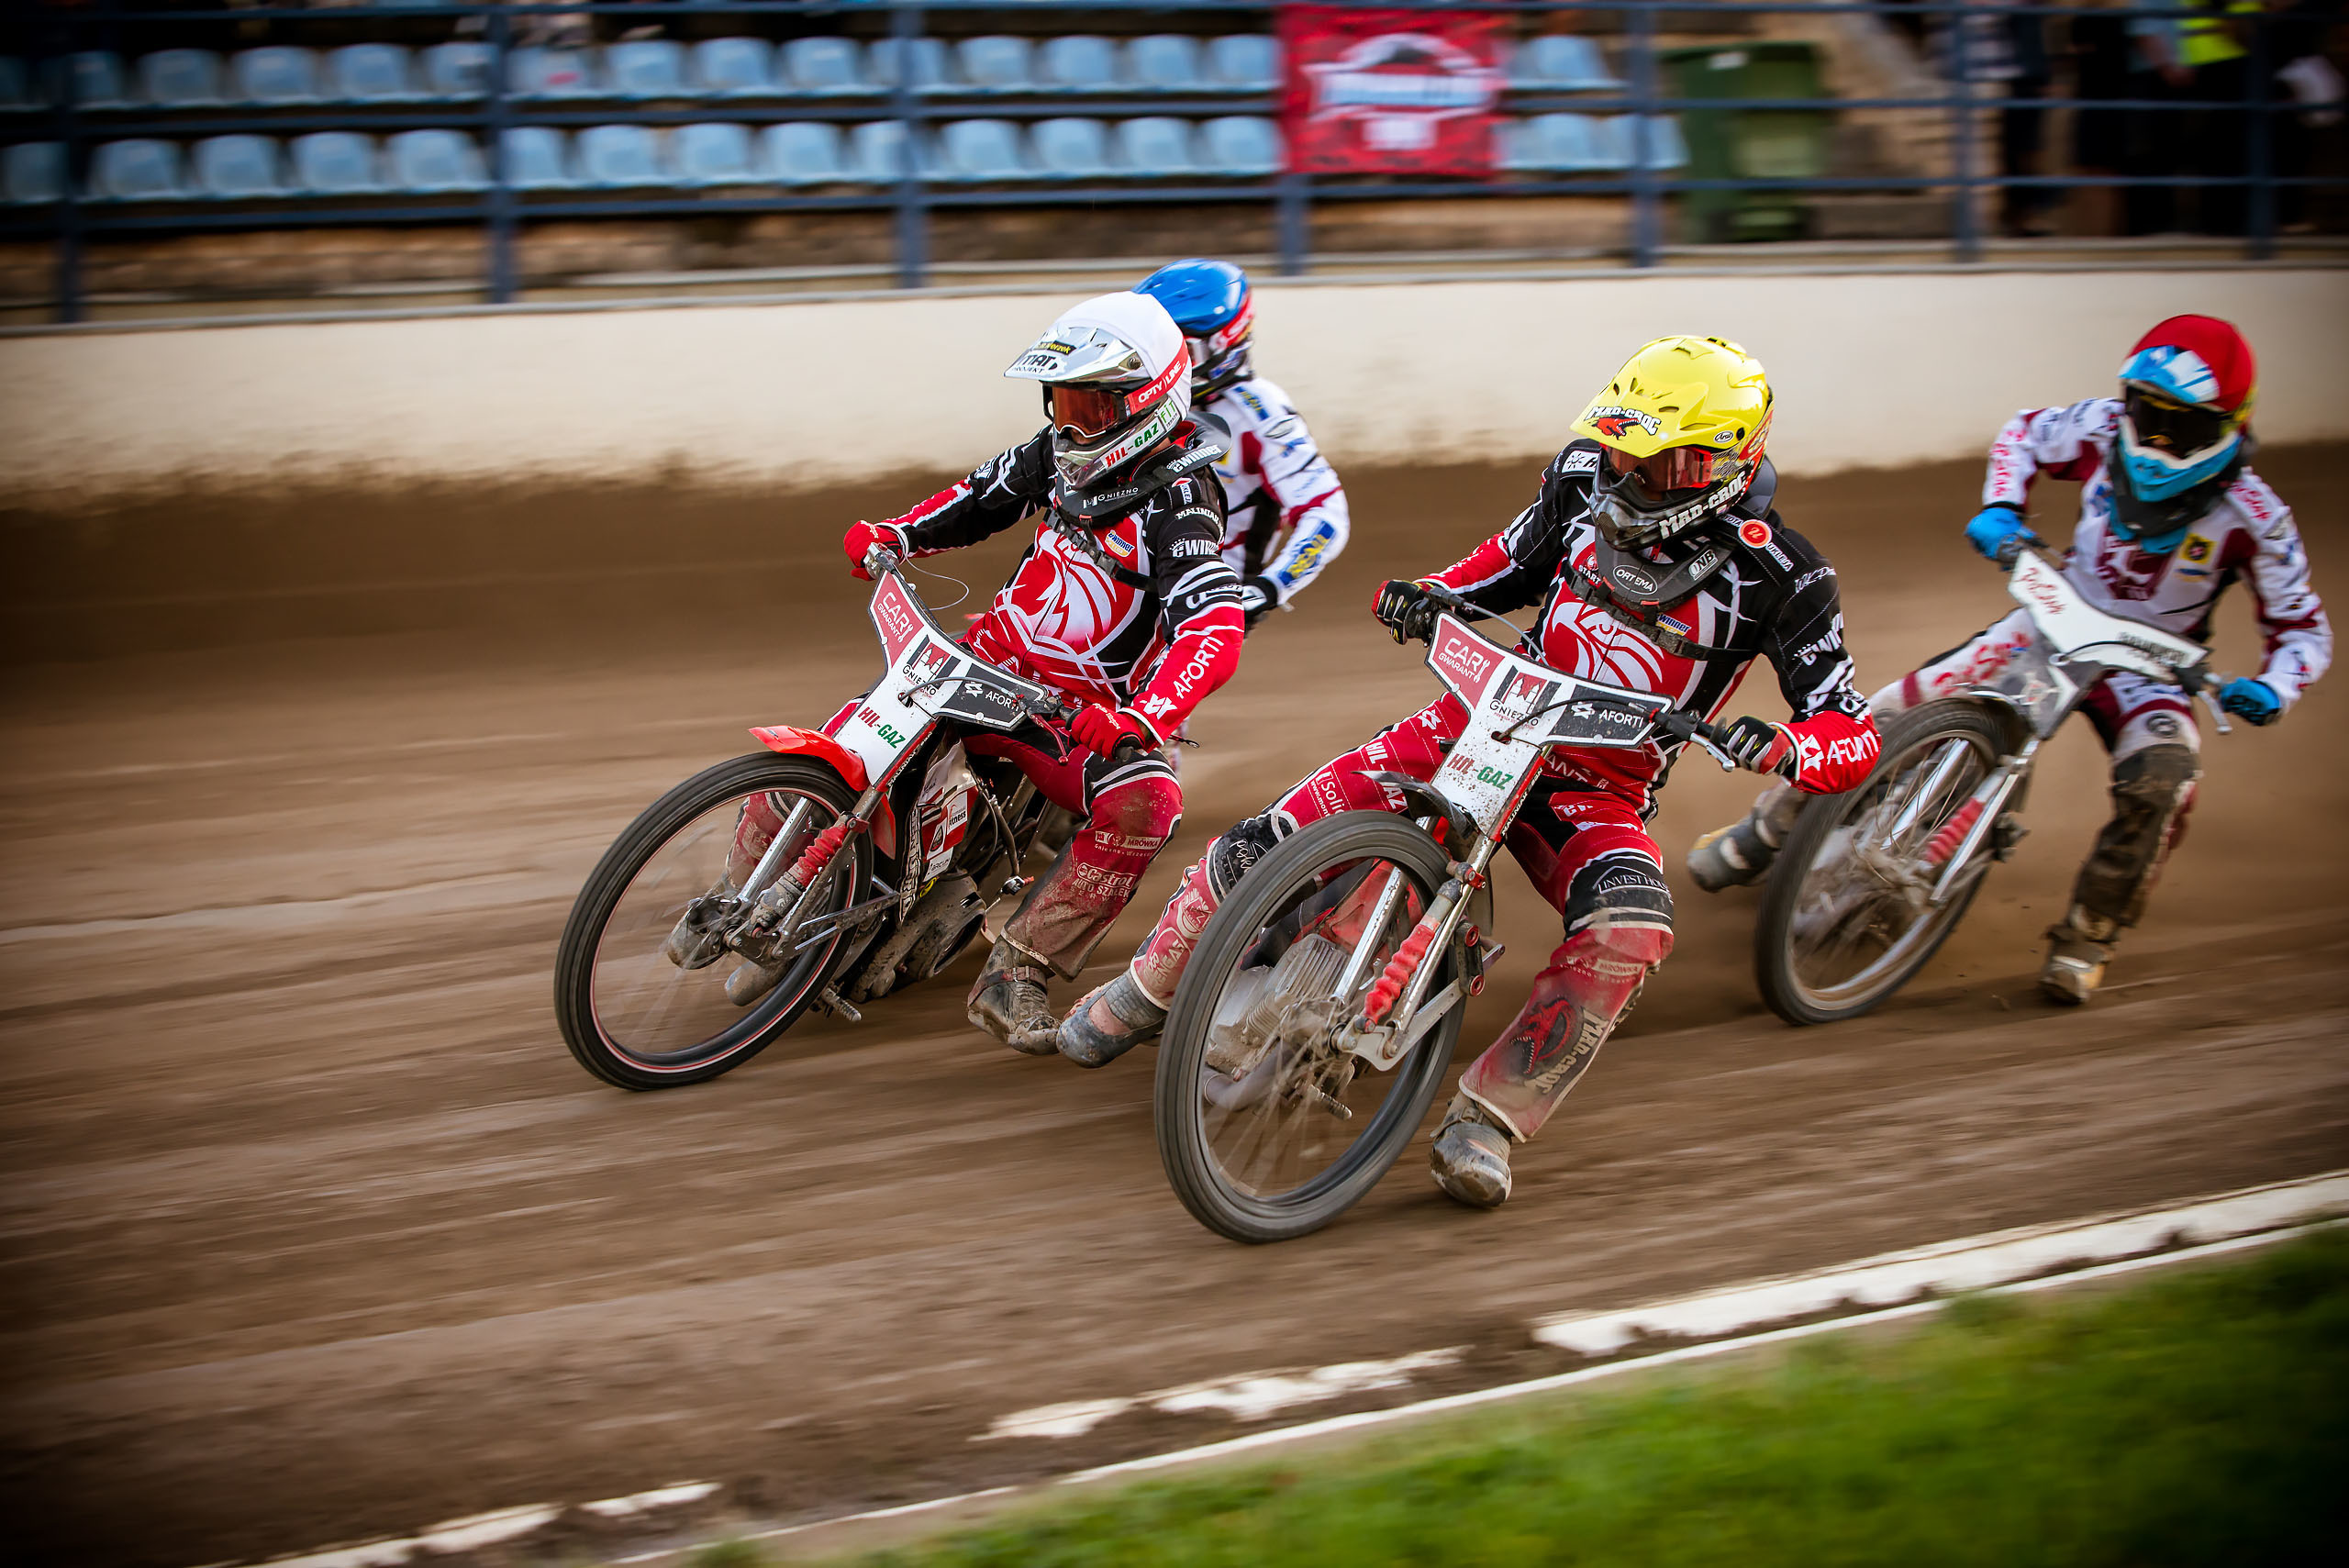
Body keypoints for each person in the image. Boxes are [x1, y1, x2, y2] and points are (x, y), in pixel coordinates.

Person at [1052, 336, 1883, 1209]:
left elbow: (1851, 729)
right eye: (1622, 450)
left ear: (1728, 460)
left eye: (1659, 462)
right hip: (1483, 717)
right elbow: (1509, 563)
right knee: (1275, 833)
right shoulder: (1580, 476)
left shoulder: (1784, 572)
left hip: (1595, 789)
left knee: (1632, 927)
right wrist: (1436, 590)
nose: (1630, 476)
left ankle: (1488, 1116)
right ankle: (1147, 990)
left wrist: (1790, 747)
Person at [1688, 315, 2329, 1006]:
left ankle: (2090, 932)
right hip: (2053, 626)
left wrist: (2274, 685)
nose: (2159, 437)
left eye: (2186, 426)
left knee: (2164, 783)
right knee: (1888, 709)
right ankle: (1768, 830)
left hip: (2151, 674)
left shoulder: (2256, 515)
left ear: (2231, 424)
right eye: (2150, 414)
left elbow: (2304, 629)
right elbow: (2024, 431)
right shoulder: (2103, 425)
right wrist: (2002, 506)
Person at [838, 292, 1245, 1051]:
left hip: (1065, 713)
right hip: (982, 660)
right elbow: (980, 498)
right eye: (1060, 400)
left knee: (1149, 800)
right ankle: (754, 875)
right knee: (854, 732)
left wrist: (1144, 718)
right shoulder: (1055, 452)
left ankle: (1016, 969)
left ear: (1147, 402)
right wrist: (897, 532)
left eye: (1090, 404)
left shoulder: (1182, 504)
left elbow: (1212, 624)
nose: (1069, 423)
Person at [1132, 260, 1350, 630]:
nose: (1158, 362)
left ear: (1223, 344)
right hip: (1122, 584)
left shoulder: (1258, 413)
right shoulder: (1149, 398)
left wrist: (1270, 587)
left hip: (1197, 609)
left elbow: (1326, 514)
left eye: (1177, 348)